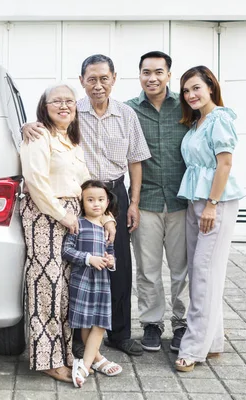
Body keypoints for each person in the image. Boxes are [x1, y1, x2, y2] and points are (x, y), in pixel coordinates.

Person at [23, 54, 151, 357]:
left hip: (114, 194)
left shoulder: (127, 114)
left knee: (117, 265)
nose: (97, 85)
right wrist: (25, 126)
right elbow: (43, 128)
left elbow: (135, 161)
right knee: (79, 268)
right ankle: (79, 337)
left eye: (104, 79)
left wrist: (133, 202)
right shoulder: (70, 109)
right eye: (91, 79)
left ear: (114, 79)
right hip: (81, 195)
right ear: (82, 81)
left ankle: (119, 333)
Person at [19, 83, 115, 382]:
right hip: (47, 216)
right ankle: (48, 359)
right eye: (56, 101)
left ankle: (73, 353)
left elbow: (86, 182)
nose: (64, 106)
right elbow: (35, 182)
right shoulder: (38, 135)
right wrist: (64, 215)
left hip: (74, 215)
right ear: (44, 108)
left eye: (69, 101)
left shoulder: (70, 140)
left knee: (67, 288)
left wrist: (106, 216)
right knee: (46, 286)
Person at [174, 66, 246, 371]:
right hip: (195, 201)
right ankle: (213, 340)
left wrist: (212, 205)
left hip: (215, 203)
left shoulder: (219, 119)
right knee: (202, 272)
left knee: (203, 273)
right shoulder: (197, 122)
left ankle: (193, 348)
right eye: (186, 91)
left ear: (210, 87)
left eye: (196, 88)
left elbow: (225, 164)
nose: (191, 95)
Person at [126, 51, 189, 352]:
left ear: (168, 75)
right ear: (139, 75)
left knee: (182, 268)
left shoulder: (187, 107)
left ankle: (182, 323)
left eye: (158, 72)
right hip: (146, 201)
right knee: (147, 268)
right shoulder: (128, 110)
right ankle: (151, 324)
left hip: (182, 201)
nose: (152, 78)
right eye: (146, 72)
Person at [62, 180, 123, 388]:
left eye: (100, 200)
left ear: (107, 202)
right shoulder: (79, 224)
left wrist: (110, 261)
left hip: (102, 281)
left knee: (100, 322)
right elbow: (67, 250)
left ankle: (85, 367)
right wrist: (89, 258)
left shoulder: (107, 230)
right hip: (83, 280)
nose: (96, 204)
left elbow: (111, 252)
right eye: (90, 200)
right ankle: (93, 362)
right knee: (86, 322)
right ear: (82, 201)